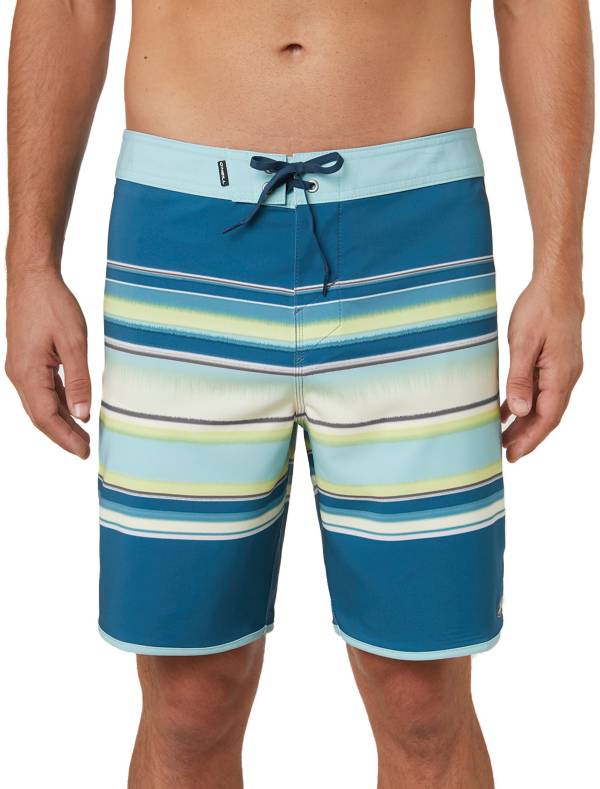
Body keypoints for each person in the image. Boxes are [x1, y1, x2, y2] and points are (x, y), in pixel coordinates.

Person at [5, 1, 593, 787]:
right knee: (188, 698)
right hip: (181, 240)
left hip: (417, 238)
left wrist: (560, 268)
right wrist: (29, 265)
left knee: (421, 696)